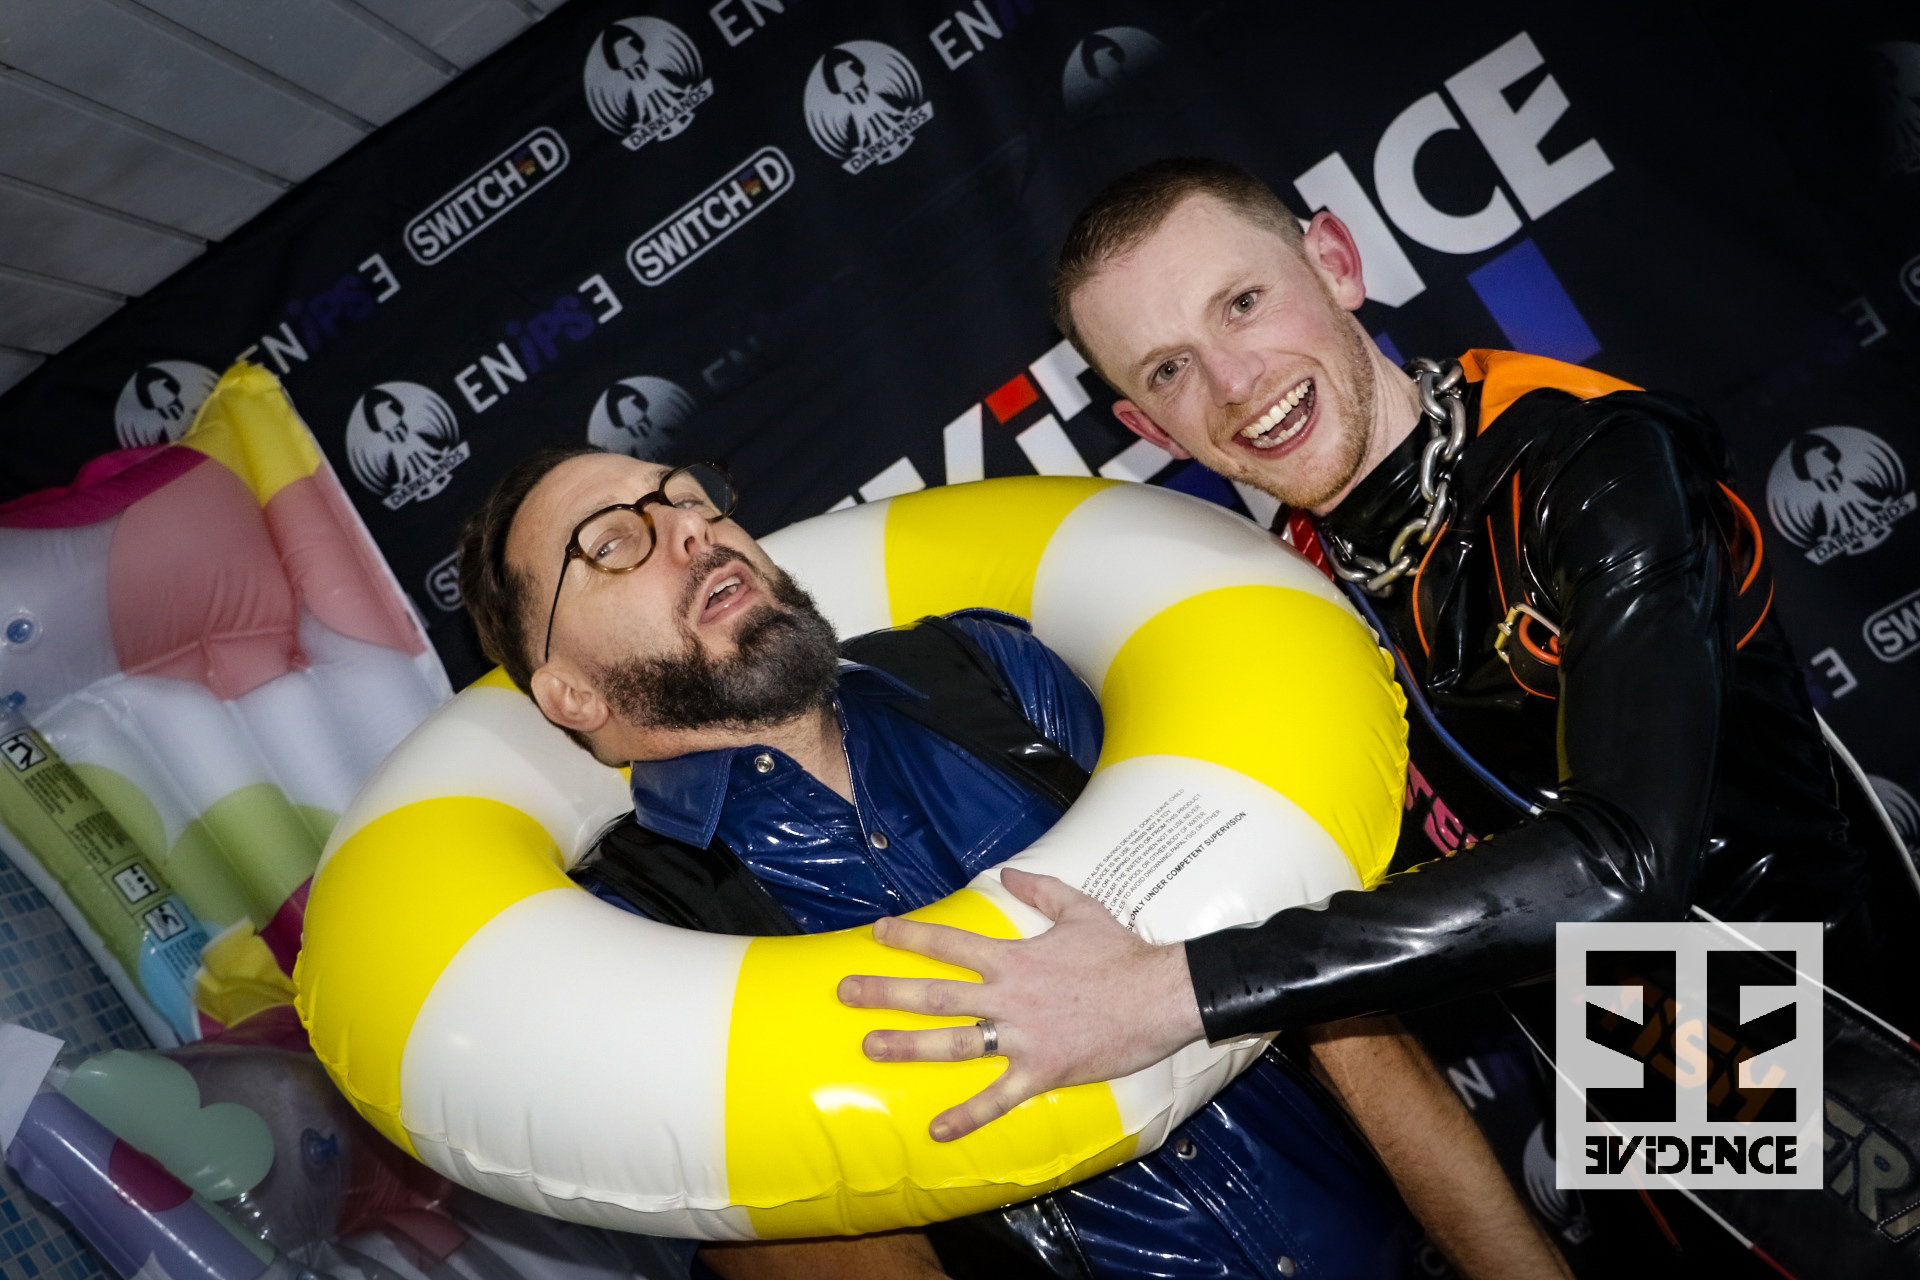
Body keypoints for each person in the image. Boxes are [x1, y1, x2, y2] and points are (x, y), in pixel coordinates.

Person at [835, 157, 1899, 1164]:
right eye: (1170, 368)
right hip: (1641, 1107)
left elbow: (1624, 869)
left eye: (1242, 303)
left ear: (1336, 263)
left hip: (1852, 1050)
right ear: (1146, 425)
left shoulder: (1596, 462)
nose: (1235, 383)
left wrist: (1168, 990)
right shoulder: (1276, 598)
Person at [455, 445, 1570, 1279]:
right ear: (570, 693)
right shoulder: (622, 943)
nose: (691, 529)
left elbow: (1320, 999)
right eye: (614, 542)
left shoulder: (982, 670)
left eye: (687, 497)